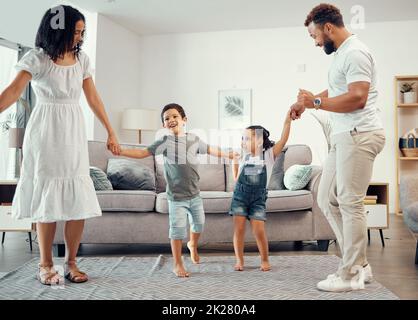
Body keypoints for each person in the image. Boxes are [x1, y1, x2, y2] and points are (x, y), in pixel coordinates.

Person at [0, 5, 121, 285]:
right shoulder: (37, 58)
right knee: (48, 197)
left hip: (72, 132)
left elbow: (93, 98)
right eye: (75, 32)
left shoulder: (82, 61)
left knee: (76, 200)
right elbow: (14, 91)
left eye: (82, 32)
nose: (79, 38)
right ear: (59, 29)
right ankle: (45, 264)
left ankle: (71, 262)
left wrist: (111, 132)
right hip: (45, 132)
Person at [291, 3, 385, 292]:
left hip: (360, 134)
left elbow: (357, 98)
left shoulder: (355, 52)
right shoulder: (343, 55)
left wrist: (315, 102)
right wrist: (306, 104)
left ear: (328, 28)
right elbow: (337, 91)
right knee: (325, 198)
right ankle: (359, 265)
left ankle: (351, 273)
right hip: (344, 137)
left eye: (315, 36)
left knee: (349, 201)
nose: (316, 42)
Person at [119, 103, 236, 278]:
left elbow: (211, 149)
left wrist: (229, 154)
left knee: (199, 224)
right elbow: (143, 153)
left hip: (195, 195)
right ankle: (177, 263)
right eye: (167, 118)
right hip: (176, 197)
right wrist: (121, 151)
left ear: (184, 120)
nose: (171, 120)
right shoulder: (164, 143)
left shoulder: (194, 140)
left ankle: (192, 245)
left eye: (174, 116)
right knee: (177, 230)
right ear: (163, 125)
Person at [229, 111, 292, 272]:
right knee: (239, 229)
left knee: (258, 230)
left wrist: (287, 121)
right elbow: (236, 179)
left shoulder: (269, 155)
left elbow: (284, 139)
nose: (243, 142)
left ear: (258, 141)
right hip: (239, 197)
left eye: (247, 138)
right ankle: (239, 259)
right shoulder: (244, 157)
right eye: (242, 138)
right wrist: (234, 162)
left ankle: (264, 259)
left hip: (258, 199)